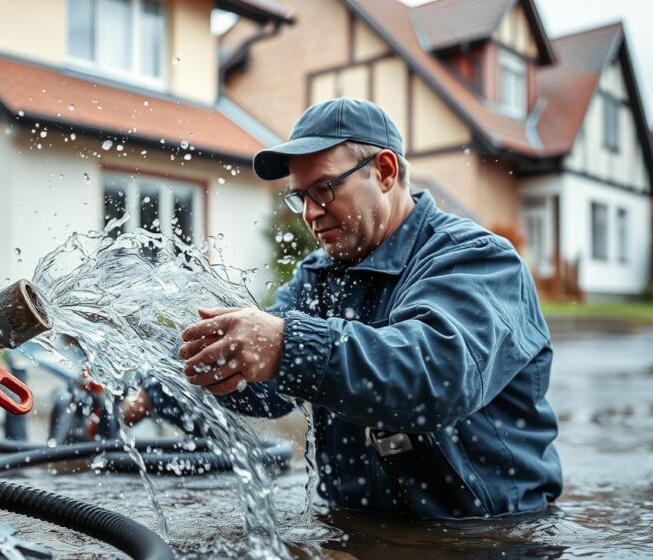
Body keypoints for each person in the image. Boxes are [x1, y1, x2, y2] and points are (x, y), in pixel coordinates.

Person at [154, 97, 562, 519]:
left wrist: (284, 343)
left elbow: (437, 375)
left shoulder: (477, 258)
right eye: (299, 197)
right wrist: (166, 381)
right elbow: (270, 394)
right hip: (359, 529)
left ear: (384, 172)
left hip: (488, 536)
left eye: (325, 188)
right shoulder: (319, 276)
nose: (310, 213)